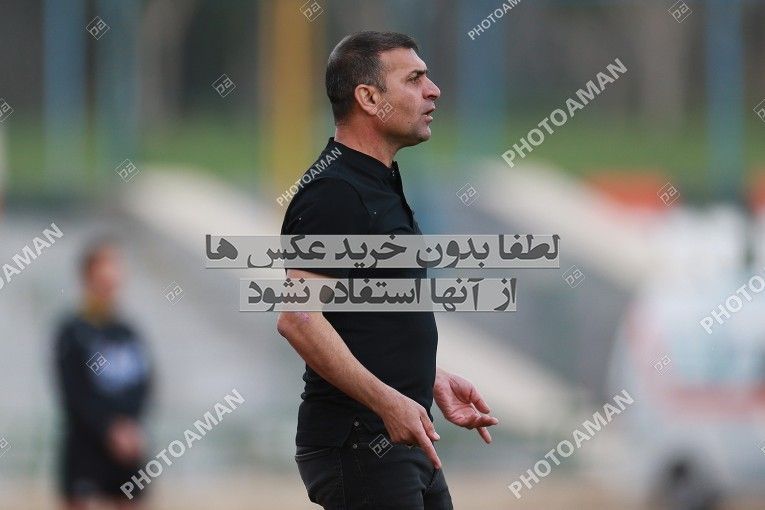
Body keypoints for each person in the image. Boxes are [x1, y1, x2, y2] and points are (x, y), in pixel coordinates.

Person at [278, 31, 499, 510]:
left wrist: (426, 374)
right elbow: (299, 319)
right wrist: (386, 400)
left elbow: (364, 317)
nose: (433, 90)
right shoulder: (334, 191)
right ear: (369, 98)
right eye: (414, 79)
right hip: (361, 443)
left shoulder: (376, 182)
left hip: (399, 436)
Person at [54, 239, 153, 509]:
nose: (113, 276)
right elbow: (74, 393)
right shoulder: (72, 331)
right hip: (86, 447)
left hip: (125, 447)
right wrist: (108, 428)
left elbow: (143, 383)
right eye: (106, 268)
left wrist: (129, 427)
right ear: (88, 276)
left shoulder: (127, 331)